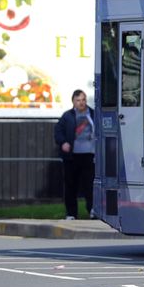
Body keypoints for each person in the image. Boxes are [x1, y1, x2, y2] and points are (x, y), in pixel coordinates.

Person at [54, 89, 95, 220]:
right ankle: (71, 213)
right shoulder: (67, 116)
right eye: (78, 100)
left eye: (83, 100)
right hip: (72, 156)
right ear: (73, 102)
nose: (81, 103)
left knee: (91, 185)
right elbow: (58, 131)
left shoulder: (93, 114)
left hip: (90, 155)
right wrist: (63, 143)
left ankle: (93, 210)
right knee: (71, 185)